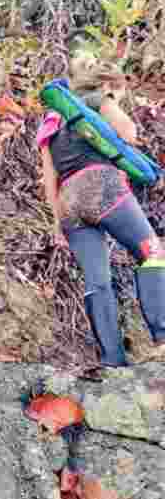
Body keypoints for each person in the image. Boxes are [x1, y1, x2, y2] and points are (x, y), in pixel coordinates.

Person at [38, 54, 165, 366]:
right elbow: (129, 133)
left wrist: (58, 225)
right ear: (109, 84)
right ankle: (163, 336)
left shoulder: (51, 119)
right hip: (102, 186)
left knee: (97, 280)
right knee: (152, 253)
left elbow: (49, 179)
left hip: (69, 202)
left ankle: (112, 359)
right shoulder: (99, 98)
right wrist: (113, 100)